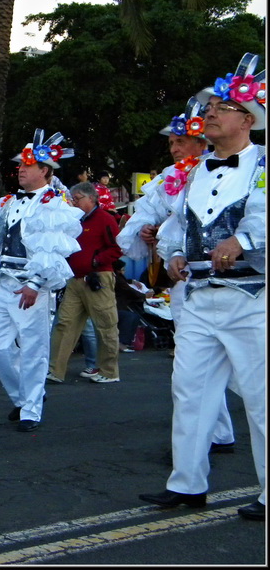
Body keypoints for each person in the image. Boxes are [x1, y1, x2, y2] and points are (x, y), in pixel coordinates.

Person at [139, 53, 266, 521]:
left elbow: (263, 220)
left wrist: (244, 238)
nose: (209, 113)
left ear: (247, 119)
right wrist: (171, 252)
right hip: (196, 299)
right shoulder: (194, 170)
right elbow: (178, 222)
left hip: (251, 298)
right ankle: (187, 484)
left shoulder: (264, 165)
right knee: (189, 391)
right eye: (209, 107)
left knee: (261, 396)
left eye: (222, 107)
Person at [118, 98, 238, 449]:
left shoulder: (222, 171)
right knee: (195, 368)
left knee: (242, 371)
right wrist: (147, 231)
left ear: (202, 141)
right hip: (190, 284)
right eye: (171, 142)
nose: (173, 149)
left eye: (180, 141)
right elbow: (154, 216)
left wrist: (166, 232)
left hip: (236, 284)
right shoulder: (171, 178)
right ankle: (215, 435)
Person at [0, 129, 82, 432]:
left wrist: (36, 282)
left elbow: (53, 248)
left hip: (31, 287)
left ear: (45, 170)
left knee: (33, 348)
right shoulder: (7, 202)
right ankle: (24, 396)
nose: (21, 170)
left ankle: (31, 408)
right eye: (20, 165)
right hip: (5, 283)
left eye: (28, 166)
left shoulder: (54, 204)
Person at [48, 181, 123, 384]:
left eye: (78, 198)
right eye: (73, 199)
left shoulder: (105, 219)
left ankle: (109, 372)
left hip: (97, 278)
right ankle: (55, 370)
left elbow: (118, 247)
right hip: (75, 278)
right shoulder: (74, 221)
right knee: (65, 323)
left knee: (105, 326)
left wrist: (96, 261)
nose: (74, 202)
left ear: (91, 198)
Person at [111, 259, 151, 353]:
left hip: (119, 306)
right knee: (130, 317)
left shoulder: (118, 278)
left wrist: (132, 281)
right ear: (118, 270)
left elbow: (126, 284)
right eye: (123, 269)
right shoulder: (117, 279)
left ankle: (126, 342)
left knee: (134, 317)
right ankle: (122, 342)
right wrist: (144, 296)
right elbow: (129, 290)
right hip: (116, 307)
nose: (124, 271)